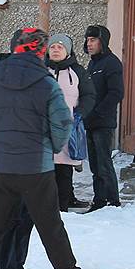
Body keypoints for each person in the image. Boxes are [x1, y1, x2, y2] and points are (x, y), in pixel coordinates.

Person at [0, 28, 92, 269]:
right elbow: (62, 122)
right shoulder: (47, 83)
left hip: (0, 166)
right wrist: (51, 147)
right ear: (41, 51)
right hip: (37, 168)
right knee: (51, 227)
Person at [46, 33, 96, 211]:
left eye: (60, 47)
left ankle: (63, 208)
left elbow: (89, 95)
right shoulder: (42, 70)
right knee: (46, 171)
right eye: (52, 47)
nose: (56, 50)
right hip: (44, 129)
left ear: (67, 51)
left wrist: (79, 114)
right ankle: (46, 209)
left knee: (64, 170)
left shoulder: (77, 71)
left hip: (68, 128)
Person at [83, 25, 124, 211]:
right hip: (90, 121)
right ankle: (99, 199)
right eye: (88, 40)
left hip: (103, 122)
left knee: (104, 162)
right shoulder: (93, 63)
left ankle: (112, 200)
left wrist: (98, 112)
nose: (89, 44)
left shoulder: (111, 63)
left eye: (93, 40)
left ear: (103, 42)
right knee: (94, 164)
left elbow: (116, 93)